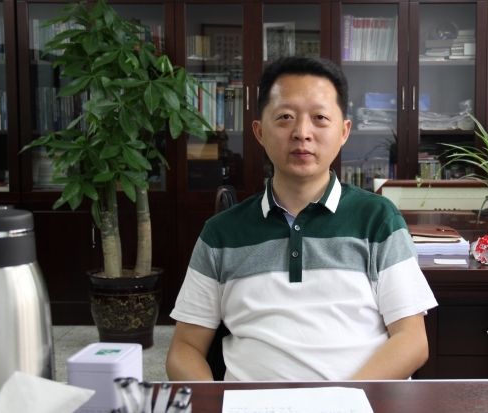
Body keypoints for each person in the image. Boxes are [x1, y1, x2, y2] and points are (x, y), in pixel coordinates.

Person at [166, 55, 438, 381]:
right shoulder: (220, 233)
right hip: (253, 404)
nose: (302, 133)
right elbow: (185, 348)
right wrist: (216, 402)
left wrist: (342, 400)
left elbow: (412, 340)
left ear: (344, 131)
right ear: (259, 131)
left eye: (320, 117)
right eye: (285, 117)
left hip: (356, 402)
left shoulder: (378, 220)